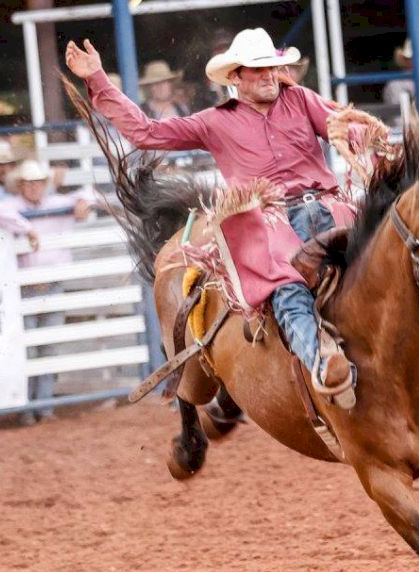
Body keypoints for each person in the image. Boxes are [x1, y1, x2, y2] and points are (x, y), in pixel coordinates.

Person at [66, 28, 364, 405]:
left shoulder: (302, 99)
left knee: (396, 252)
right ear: (236, 77)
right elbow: (146, 133)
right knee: (285, 288)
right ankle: (323, 362)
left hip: (328, 205)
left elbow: (344, 126)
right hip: (270, 223)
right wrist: (97, 79)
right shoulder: (215, 121)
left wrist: (360, 134)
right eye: (258, 69)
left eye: (272, 67)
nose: (270, 75)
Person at [0, 160, 99, 425]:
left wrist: (85, 203)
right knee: (28, 349)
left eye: (39, 182)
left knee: (48, 347)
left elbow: (91, 193)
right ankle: (29, 407)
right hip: (26, 286)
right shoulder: (15, 206)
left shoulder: (56, 203)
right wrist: (27, 228)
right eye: (29, 183)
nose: (35, 188)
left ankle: (44, 405)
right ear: (21, 186)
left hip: (52, 284)